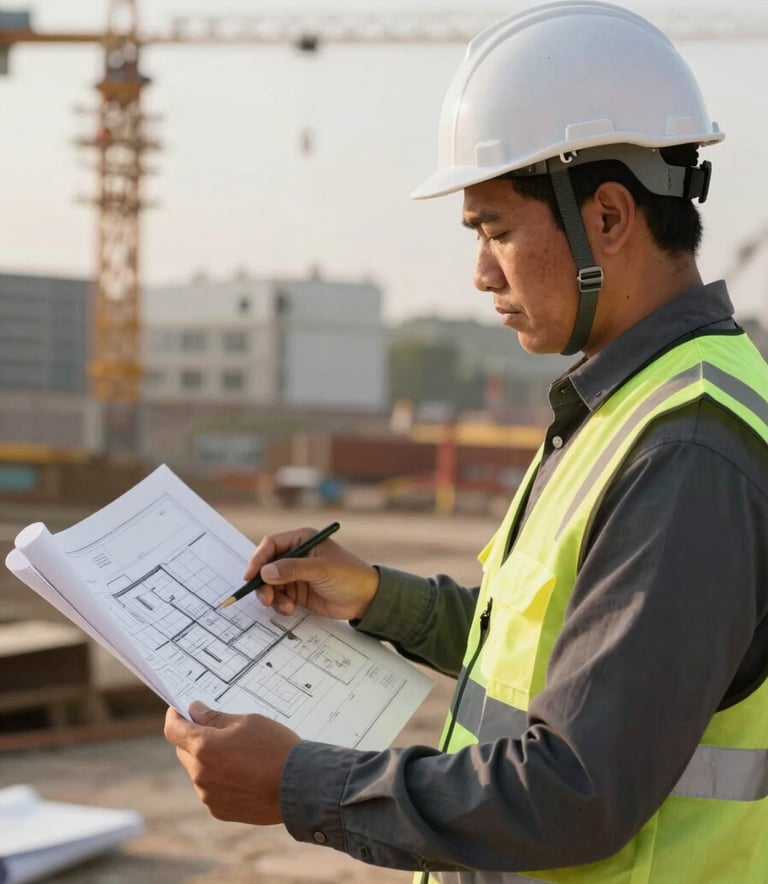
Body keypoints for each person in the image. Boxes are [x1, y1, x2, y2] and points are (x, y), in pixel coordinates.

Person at [164, 2, 768, 881]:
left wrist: (296, 782)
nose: (482, 272)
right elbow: (564, 656)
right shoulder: (634, 403)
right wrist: (376, 596)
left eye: (496, 230)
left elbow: (572, 793)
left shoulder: (685, 450)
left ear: (607, 218)